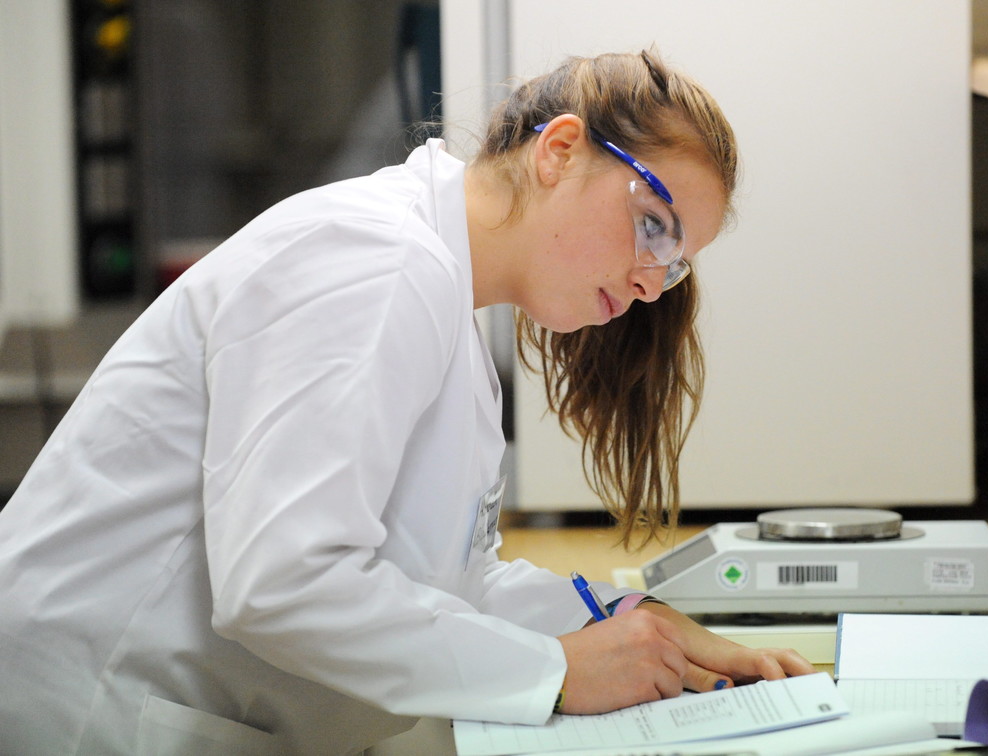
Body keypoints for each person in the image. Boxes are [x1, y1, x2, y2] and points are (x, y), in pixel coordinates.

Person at [0, 50, 814, 755]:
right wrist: (561, 670)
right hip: (86, 715)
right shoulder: (376, 263)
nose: (649, 282)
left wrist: (633, 621)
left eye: (674, 265)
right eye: (653, 228)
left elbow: (448, 580)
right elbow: (283, 583)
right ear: (560, 150)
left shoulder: (446, 313)